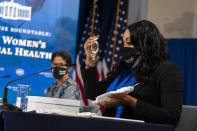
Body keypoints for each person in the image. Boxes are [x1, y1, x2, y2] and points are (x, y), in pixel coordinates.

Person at [81, 20, 183, 126]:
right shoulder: (124, 71)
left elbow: (172, 117)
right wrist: (90, 59)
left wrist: (130, 101)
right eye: (123, 42)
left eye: (129, 42)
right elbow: (92, 93)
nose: (124, 47)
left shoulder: (167, 70)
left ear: (145, 43)